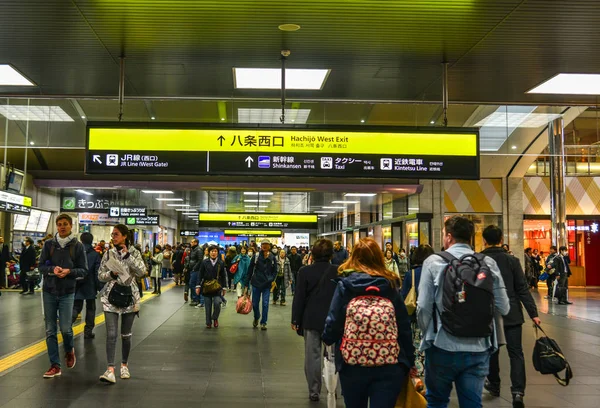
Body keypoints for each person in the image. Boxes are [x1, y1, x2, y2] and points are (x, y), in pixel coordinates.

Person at [416, 216, 510, 408]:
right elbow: (504, 307)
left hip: (442, 345)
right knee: (472, 403)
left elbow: (423, 306)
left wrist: (427, 335)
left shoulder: (433, 262)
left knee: (436, 402)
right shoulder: (488, 263)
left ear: (449, 237)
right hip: (479, 346)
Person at [322, 238, 415, 408]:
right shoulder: (390, 285)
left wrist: (328, 338)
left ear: (354, 257)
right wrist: (410, 360)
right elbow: (403, 326)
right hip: (389, 362)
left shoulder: (345, 286)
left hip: (352, 363)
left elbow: (333, 322)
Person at [481, 226, 541, 408]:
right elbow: (522, 289)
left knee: (492, 350)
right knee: (516, 353)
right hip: (512, 313)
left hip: (489, 313)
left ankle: (494, 384)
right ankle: (517, 392)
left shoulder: (480, 260)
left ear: (484, 240)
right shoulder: (512, 261)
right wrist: (534, 314)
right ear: (501, 239)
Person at [38, 214, 88, 379]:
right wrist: (52, 270)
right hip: (49, 291)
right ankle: (55, 365)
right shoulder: (49, 245)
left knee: (66, 328)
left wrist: (69, 272)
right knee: (50, 330)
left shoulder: (77, 246)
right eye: (59, 224)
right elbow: (41, 266)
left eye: (65, 224)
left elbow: (83, 270)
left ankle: (69, 349)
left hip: (67, 292)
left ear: (71, 226)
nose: (62, 227)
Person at [98, 224, 147, 384]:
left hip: (130, 296)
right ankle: (110, 369)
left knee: (126, 334)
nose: (113, 237)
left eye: (116, 234)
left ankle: (124, 365)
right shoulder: (108, 253)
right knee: (111, 334)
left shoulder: (135, 253)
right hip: (110, 296)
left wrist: (128, 257)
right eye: (112, 235)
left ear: (125, 236)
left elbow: (141, 272)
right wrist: (110, 274)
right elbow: (100, 275)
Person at [291, 239, 338, 402]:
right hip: (333, 319)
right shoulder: (338, 271)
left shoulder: (304, 272)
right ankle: (333, 388)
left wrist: (295, 318)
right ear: (332, 254)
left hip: (311, 319)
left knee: (312, 356)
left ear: (313, 254)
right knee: (334, 355)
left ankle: (314, 390)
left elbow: (299, 298)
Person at [401, 244, 434, 379]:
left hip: (415, 319)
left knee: (417, 350)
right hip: (433, 320)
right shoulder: (436, 271)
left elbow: (403, 297)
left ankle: (418, 380)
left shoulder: (411, 274)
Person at [72, 232, 102, 339]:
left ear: (81, 240)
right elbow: (97, 272)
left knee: (76, 307)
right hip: (90, 285)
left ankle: (67, 327)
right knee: (91, 308)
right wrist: (99, 287)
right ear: (91, 241)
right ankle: (88, 331)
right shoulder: (95, 254)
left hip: (76, 284)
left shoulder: (75, 252)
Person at [246, 239, 277, 330]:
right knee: (255, 303)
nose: (265, 246)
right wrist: (246, 284)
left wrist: (271, 279)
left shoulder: (272, 257)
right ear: (261, 246)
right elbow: (250, 270)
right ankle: (256, 317)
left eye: (267, 245)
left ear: (269, 246)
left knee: (265, 303)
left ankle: (263, 322)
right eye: (263, 244)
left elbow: (275, 270)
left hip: (267, 284)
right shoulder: (256, 256)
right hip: (256, 283)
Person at [195, 245, 227, 329]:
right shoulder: (204, 262)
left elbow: (223, 276)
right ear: (209, 253)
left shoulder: (221, 262)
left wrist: (224, 287)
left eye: (215, 251)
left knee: (217, 303)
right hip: (206, 286)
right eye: (212, 251)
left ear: (217, 252)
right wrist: (198, 286)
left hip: (217, 287)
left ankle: (215, 318)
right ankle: (208, 322)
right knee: (208, 306)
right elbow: (200, 274)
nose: (213, 253)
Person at [185, 239, 203, 307]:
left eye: (192, 242)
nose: (191, 243)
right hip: (192, 269)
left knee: (193, 284)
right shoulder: (193, 249)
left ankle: (196, 299)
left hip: (196, 270)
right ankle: (194, 299)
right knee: (192, 284)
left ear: (196, 243)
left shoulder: (198, 250)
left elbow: (200, 260)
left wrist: (194, 268)